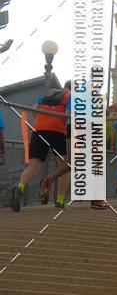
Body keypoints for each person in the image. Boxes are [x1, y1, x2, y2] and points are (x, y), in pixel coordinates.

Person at [40, 81, 109, 209]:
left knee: (70, 164)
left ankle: (48, 180)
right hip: (86, 128)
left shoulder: (74, 94)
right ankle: (96, 200)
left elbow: (68, 115)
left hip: (72, 128)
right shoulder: (93, 94)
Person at [10, 84, 70, 212]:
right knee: (64, 167)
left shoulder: (45, 95)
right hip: (57, 132)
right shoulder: (69, 97)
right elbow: (66, 116)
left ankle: (19, 187)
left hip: (38, 130)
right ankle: (59, 200)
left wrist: (44, 120)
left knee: (33, 167)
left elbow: (34, 111)